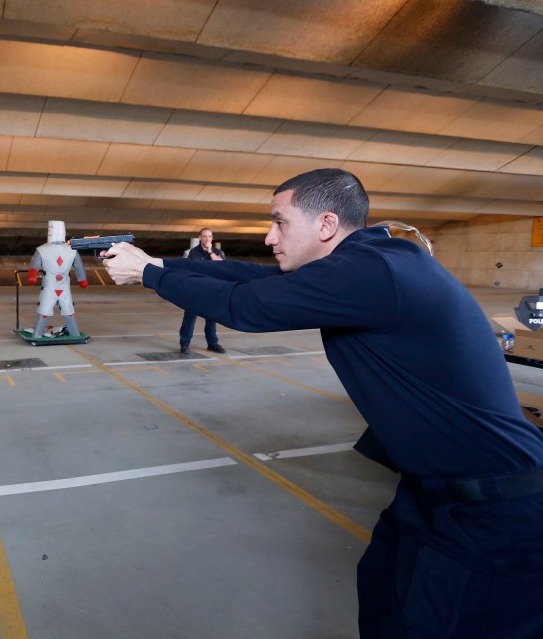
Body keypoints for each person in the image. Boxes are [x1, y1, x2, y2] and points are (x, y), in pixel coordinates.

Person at [102, 168, 543, 638]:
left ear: (327, 225)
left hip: (494, 508)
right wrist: (164, 265)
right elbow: (253, 278)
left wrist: (147, 274)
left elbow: (246, 307)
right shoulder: (369, 262)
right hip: (431, 494)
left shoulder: (375, 271)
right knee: (384, 603)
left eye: (280, 222)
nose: (271, 236)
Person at [27, 220, 88, 338]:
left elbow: (34, 265)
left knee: (47, 309)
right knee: (67, 309)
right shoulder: (72, 250)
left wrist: (32, 276)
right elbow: (79, 266)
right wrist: (82, 280)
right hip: (61, 285)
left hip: (51, 286)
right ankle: (74, 333)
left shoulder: (42, 250)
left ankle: (38, 334)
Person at [178, 228, 225, 354]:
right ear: (200, 238)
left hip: (213, 290)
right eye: (205, 236)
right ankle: (185, 343)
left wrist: (210, 252)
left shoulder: (216, 252)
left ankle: (212, 344)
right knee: (190, 317)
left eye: (209, 236)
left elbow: (223, 267)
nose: (207, 239)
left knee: (212, 318)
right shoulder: (194, 253)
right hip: (196, 290)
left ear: (212, 238)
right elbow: (200, 268)